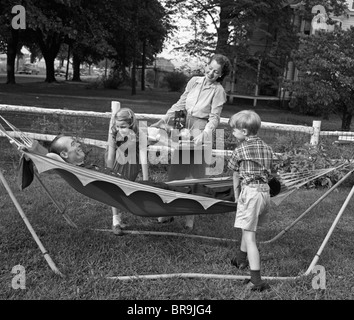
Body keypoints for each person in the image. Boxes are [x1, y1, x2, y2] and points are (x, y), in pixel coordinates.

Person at [151, 53, 232, 230]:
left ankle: (190, 218)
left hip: (201, 130)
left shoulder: (219, 91)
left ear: (220, 74)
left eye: (215, 71)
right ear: (206, 67)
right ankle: (167, 212)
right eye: (209, 69)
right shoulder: (194, 81)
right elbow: (181, 103)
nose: (211, 73)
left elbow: (214, 117)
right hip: (183, 126)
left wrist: (205, 134)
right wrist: (165, 118)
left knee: (196, 178)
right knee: (175, 174)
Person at [49, 108, 143, 236]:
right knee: (117, 192)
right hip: (115, 170)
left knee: (129, 190)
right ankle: (116, 220)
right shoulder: (114, 134)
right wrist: (111, 172)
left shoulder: (137, 134)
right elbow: (51, 156)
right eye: (73, 143)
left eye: (123, 126)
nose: (78, 144)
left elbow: (141, 153)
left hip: (126, 169)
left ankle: (121, 217)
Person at [227, 110, 273, 292]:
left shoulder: (240, 149)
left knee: (250, 236)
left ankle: (256, 281)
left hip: (251, 193)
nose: (232, 133)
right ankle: (240, 259)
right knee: (249, 228)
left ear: (244, 132)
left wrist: (237, 196)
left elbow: (234, 172)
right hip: (264, 193)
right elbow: (271, 171)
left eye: (234, 130)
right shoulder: (267, 148)